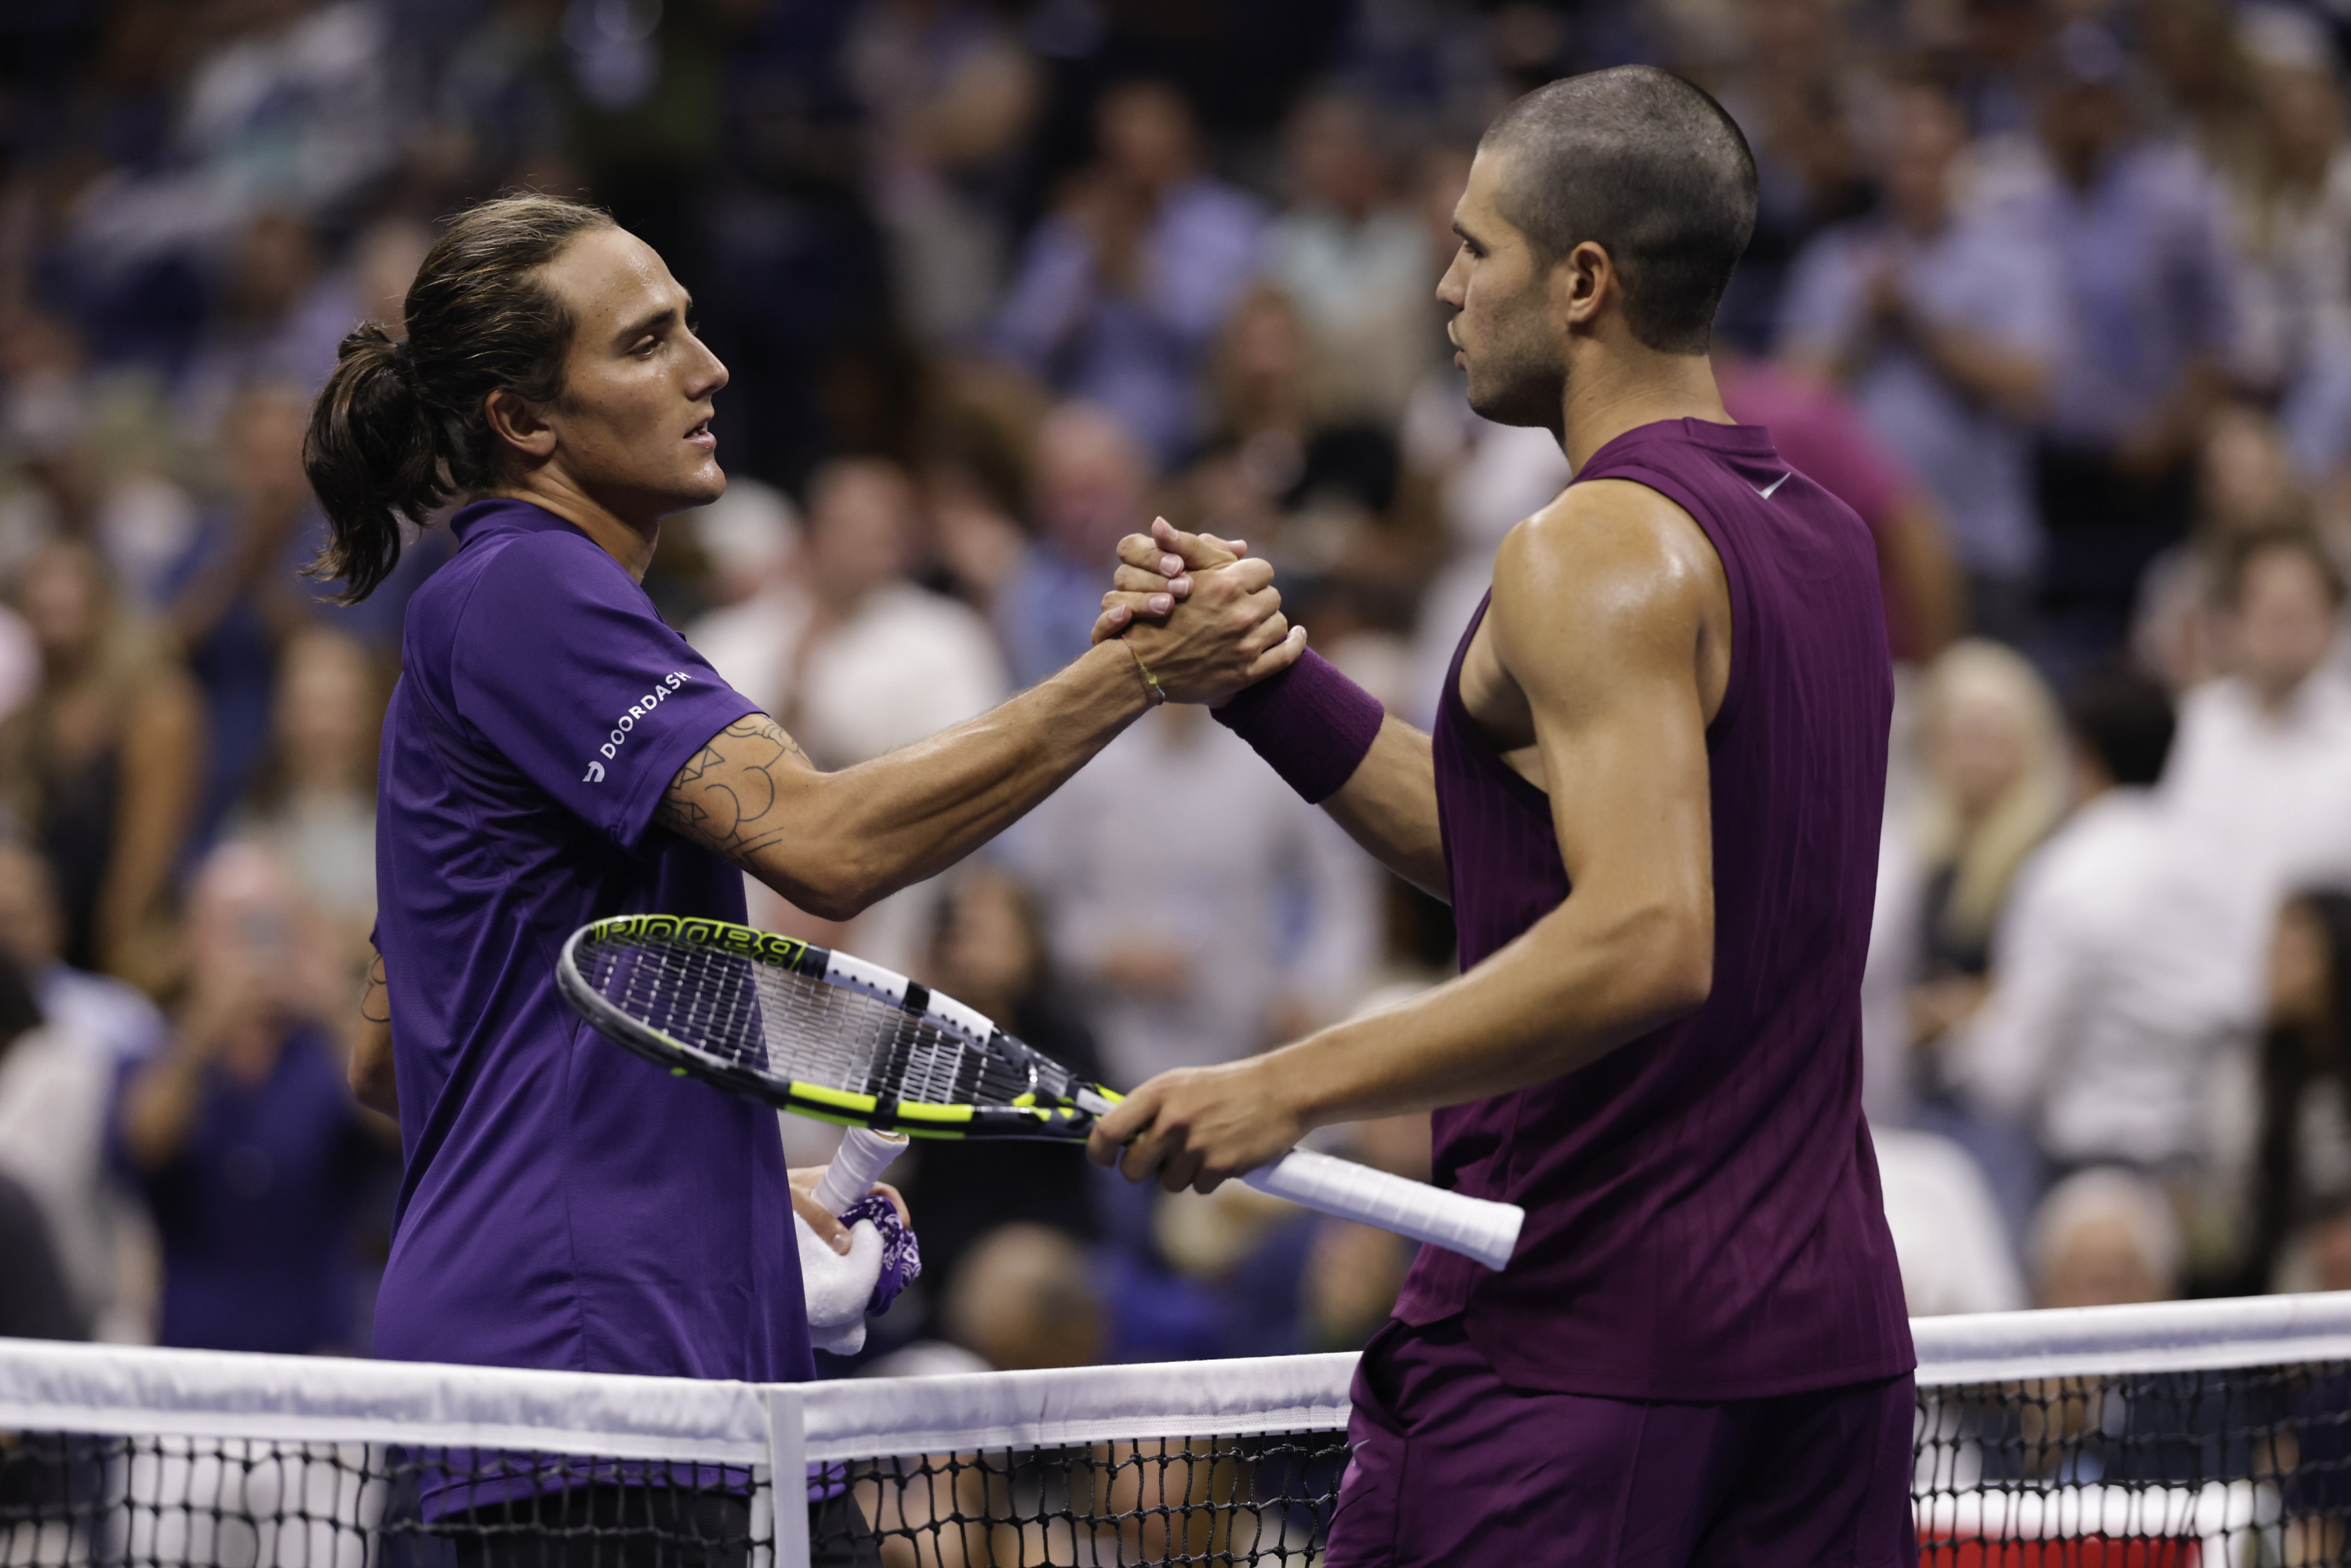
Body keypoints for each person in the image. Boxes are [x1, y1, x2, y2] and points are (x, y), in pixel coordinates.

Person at [303, 194, 1295, 1564]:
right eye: (646, 345)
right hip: (588, 1398)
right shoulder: (527, 593)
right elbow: (826, 843)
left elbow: (394, 1056)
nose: (708, 371)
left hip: (643, 1372)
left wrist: (708, 1193)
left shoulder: (498, 618)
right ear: (524, 420)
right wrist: (1131, 669)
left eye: (692, 330)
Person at [1093, 67, 1914, 1566]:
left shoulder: (1585, 544)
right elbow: (1528, 856)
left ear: (1582, 281)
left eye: (1476, 249)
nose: (1443, 284)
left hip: (1579, 1343)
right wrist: (1268, 680)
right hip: (1824, 1353)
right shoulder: (1827, 538)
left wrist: (1292, 1082)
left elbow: (1646, 936)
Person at [1949, 666, 2243, 1186]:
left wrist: (1960, 1039)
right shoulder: (2218, 865)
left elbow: (2009, 1071)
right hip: (2197, 1169)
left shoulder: (2065, 874)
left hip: (2089, 1171)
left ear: (2079, 755)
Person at [110, 844, 386, 1354]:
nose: (255, 949)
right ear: (192, 939)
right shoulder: (153, 1056)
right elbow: (143, 1143)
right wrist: (203, 1032)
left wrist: (326, 997)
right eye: (233, 926)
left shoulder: (327, 1059)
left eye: (271, 927)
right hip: (189, 1365)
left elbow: (393, 1126)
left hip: (322, 1361)